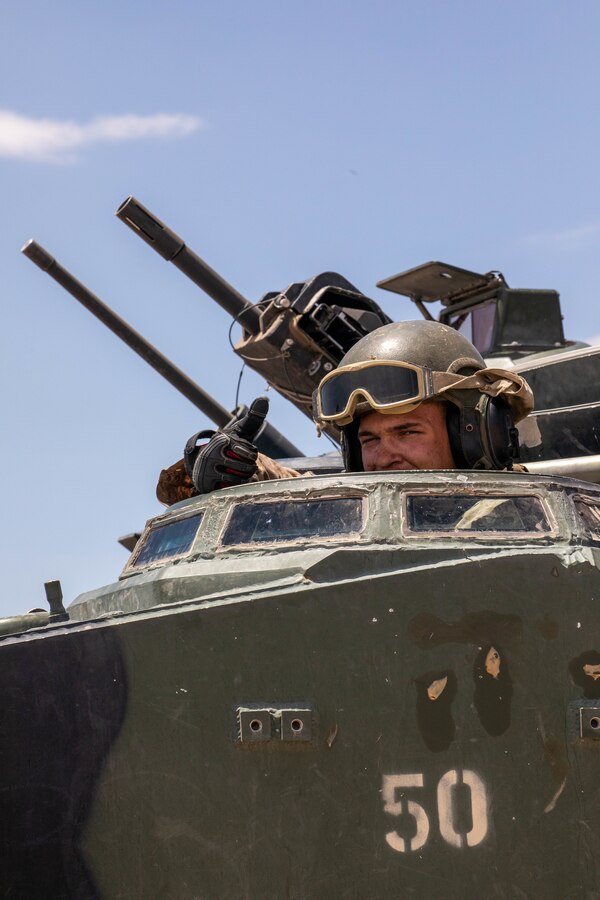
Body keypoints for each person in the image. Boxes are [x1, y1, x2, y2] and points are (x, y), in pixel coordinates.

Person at [156, 320, 533, 505]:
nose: (384, 457)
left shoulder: (531, 518)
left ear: (475, 434)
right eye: (369, 440)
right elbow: (298, 491)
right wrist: (232, 472)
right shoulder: (356, 517)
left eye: (407, 433)